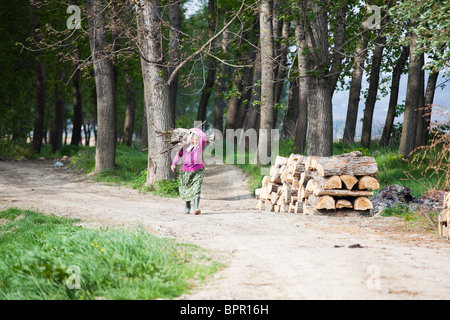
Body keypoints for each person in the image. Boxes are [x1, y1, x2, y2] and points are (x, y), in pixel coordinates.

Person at [171, 127, 206, 215]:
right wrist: (174, 163)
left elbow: (204, 136)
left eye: (197, 139)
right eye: (193, 140)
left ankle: (196, 208)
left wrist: (195, 129)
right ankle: (187, 206)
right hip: (186, 171)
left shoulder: (200, 145)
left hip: (198, 170)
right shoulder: (185, 146)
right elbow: (178, 154)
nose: (195, 141)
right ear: (190, 139)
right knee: (186, 188)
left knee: (197, 187)